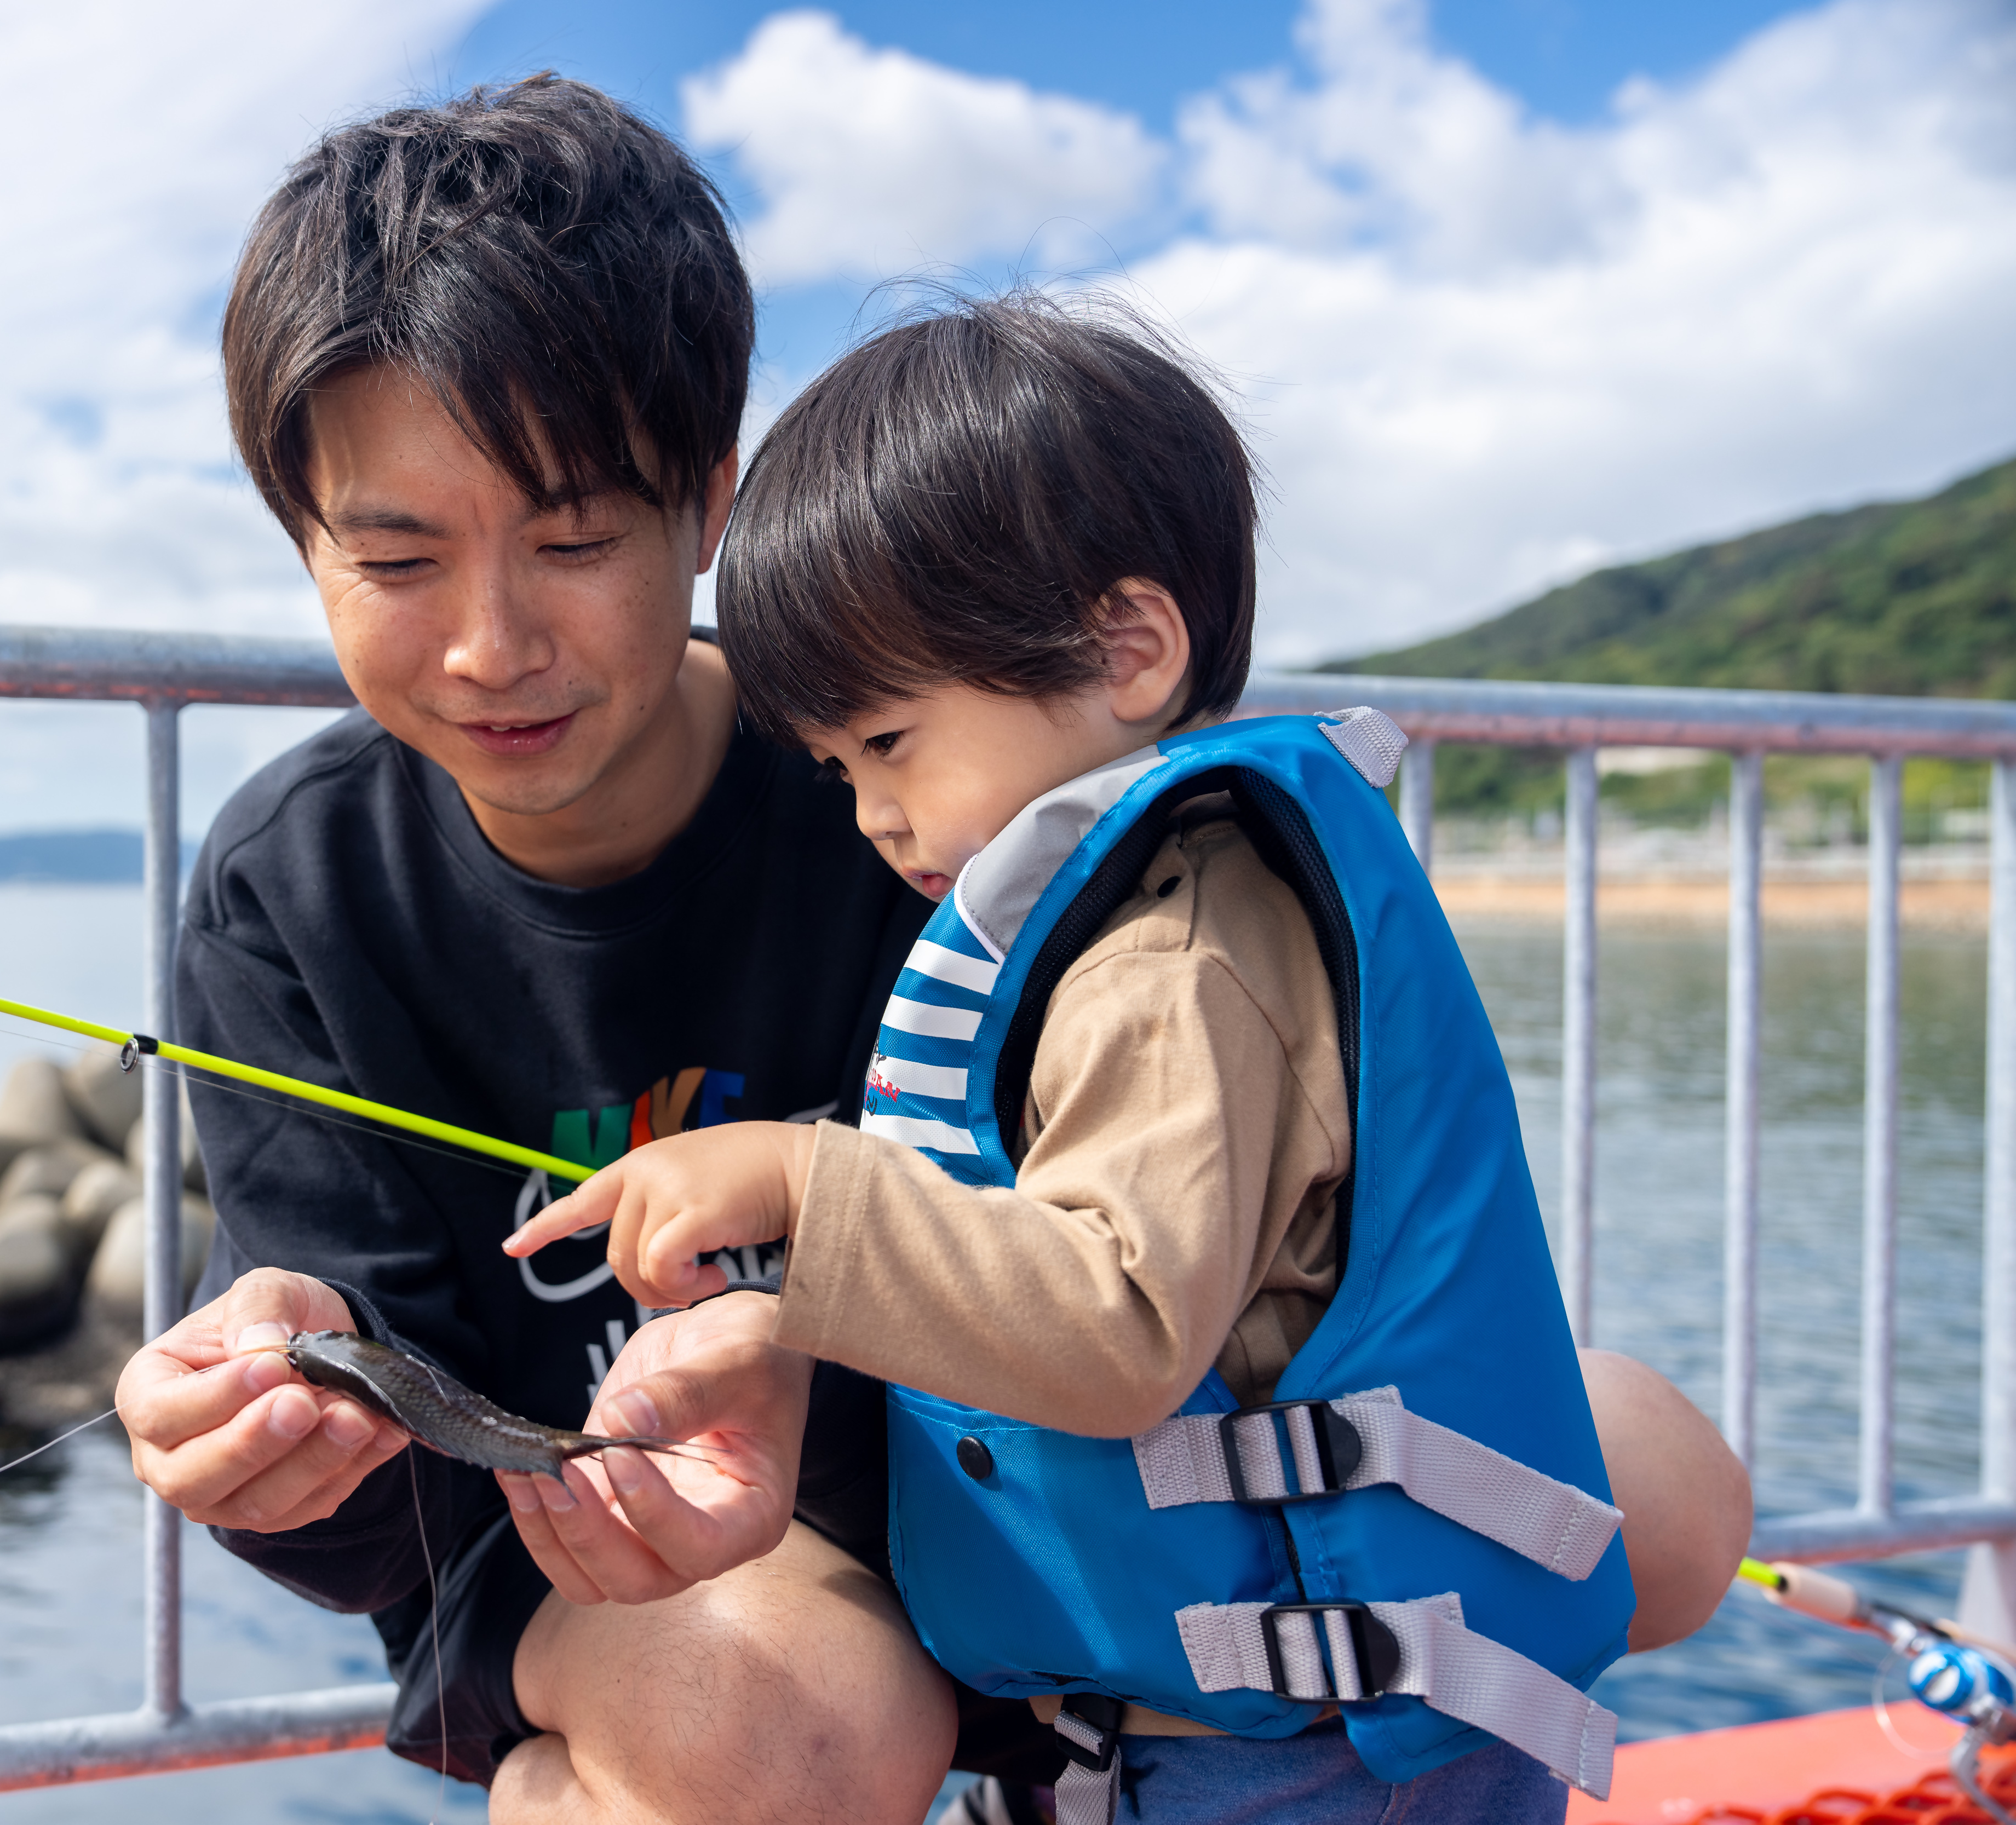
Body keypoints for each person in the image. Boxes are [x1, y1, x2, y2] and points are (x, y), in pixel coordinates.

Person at [116, 77, 1751, 1825]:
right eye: (395, 557)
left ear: (709, 503)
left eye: (577, 539)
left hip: (1031, 1480)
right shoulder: (290, 894)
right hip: (600, 1551)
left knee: (1642, 1474)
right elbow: (383, 1496)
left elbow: (1151, 1272)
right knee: (804, 1724)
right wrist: (267, 1444)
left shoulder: (944, 778)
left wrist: (795, 1325)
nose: (494, 643)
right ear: (304, 541)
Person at [504, 295, 1744, 1822]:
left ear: (1128, 648)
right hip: (1207, 1729)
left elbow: (1120, 1324)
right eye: (834, 772)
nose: (868, 816)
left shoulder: (1175, 962)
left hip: (1302, 1765)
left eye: (890, 745)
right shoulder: (1143, 923)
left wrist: (802, 1187)